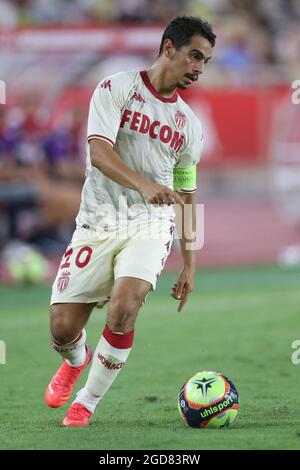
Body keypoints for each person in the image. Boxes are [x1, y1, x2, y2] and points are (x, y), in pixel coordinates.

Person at [45, 16, 216, 427]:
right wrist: (143, 184)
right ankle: (76, 359)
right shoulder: (115, 88)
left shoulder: (190, 127)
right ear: (169, 48)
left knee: (124, 308)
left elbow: (188, 196)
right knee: (62, 329)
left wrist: (191, 263)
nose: (198, 68)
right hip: (97, 222)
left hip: (149, 224)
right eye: (194, 55)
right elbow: (99, 153)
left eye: (206, 61)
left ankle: (86, 402)